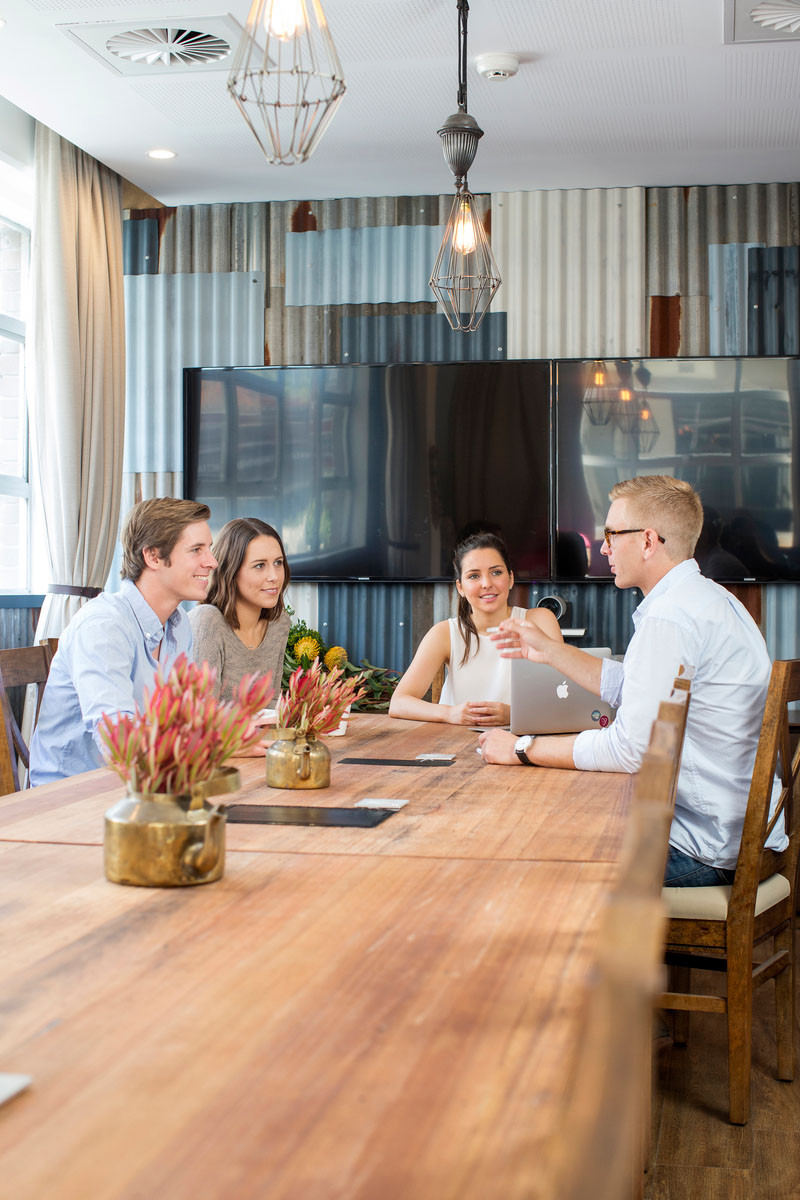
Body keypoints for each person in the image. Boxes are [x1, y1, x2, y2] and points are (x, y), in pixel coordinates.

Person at [479, 475, 787, 885]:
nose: (603, 546)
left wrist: (521, 748)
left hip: (705, 847)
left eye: (611, 534)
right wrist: (550, 651)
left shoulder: (670, 618)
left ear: (647, 541)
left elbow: (630, 751)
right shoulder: (709, 598)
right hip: (743, 832)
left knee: (536, 860)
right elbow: (634, 687)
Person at [30, 498, 216, 786]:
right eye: (196, 550)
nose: (212, 561)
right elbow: (121, 742)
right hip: (71, 798)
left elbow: (184, 722)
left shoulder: (179, 626)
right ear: (153, 556)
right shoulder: (104, 627)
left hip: (140, 786)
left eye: (209, 549)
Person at [388, 531, 563, 726]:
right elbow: (399, 703)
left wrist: (514, 714)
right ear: (460, 587)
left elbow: (564, 697)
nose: (487, 584)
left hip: (518, 741)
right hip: (455, 743)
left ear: (511, 578)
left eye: (496, 572)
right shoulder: (445, 633)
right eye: (474, 576)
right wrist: (450, 713)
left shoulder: (539, 621)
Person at [189, 517, 291, 702]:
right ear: (231, 572)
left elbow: (270, 707)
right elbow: (201, 715)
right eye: (259, 565)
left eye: (278, 563)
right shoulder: (207, 621)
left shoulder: (279, 623)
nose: (274, 576)